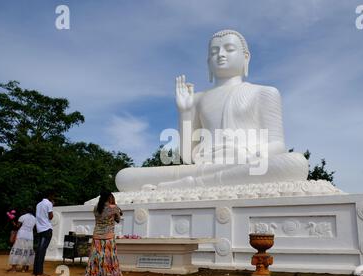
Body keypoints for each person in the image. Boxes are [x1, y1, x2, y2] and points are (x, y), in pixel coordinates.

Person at [115, 29, 309, 191]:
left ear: (246, 57)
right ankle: (199, 181)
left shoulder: (264, 93)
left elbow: (278, 145)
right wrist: (184, 111)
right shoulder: (198, 99)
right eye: (214, 51)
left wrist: (249, 157)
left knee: (296, 163)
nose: (221, 54)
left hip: (246, 163)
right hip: (206, 166)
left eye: (229, 49)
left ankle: (190, 185)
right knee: (124, 177)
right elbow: (187, 156)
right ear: (208, 61)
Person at [85, 191, 122, 276]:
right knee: (105, 260)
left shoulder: (96, 207)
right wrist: (116, 207)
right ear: (110, 197)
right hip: (108, 238)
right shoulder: (113, 208)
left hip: (96, 236)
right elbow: (118, 219)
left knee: (94, 259)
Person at [32, 190, 55, 276]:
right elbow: (51, 216)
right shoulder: (48, 203)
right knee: (42, 251)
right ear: (50, 196)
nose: (53, 198)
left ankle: (36, 271)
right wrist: (52, 205)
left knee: (39, 250)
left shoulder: (38, 204)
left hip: (40, 229)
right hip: (47, 228)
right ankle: (39, 273)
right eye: (53, 196)